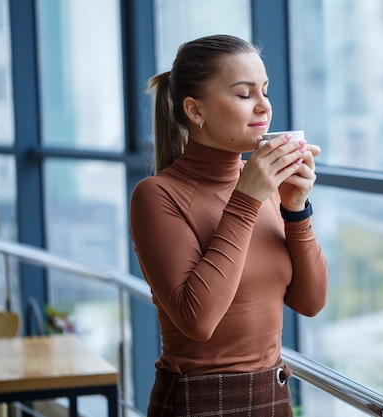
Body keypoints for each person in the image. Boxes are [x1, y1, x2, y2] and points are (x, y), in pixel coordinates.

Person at [129, 34, 329, 417]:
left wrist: (296, 209)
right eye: (244, 94)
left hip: (272, 397)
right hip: (196, 404)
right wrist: (247, 198)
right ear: (195, 110)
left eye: (265, 91)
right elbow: (198, 320)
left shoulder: (266, 188)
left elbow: (312, 301)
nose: (264, 107)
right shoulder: (157, 195)